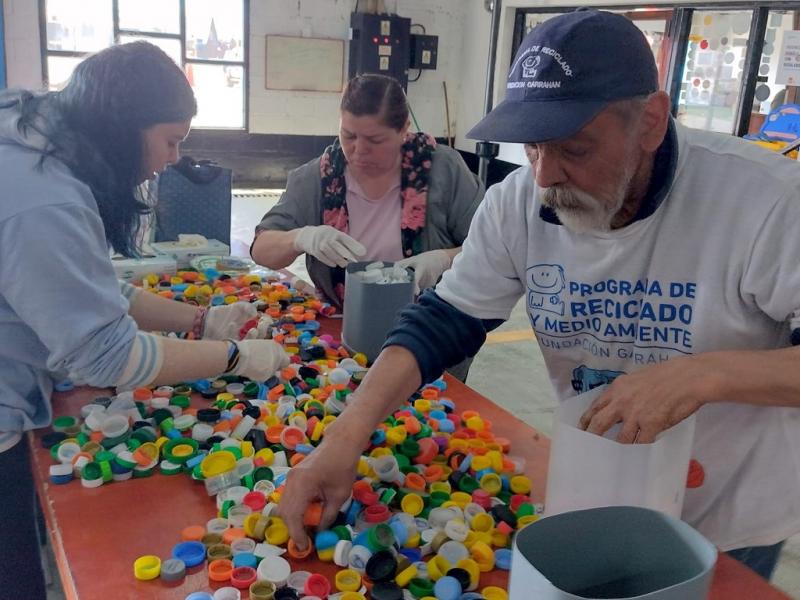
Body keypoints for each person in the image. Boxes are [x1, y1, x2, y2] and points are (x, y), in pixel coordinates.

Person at [279, 10, 800, 582]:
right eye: (531, 147)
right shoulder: (519, 201)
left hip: (726, 515)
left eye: (574, 149)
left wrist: (704, 377)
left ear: (650, 121)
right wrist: (343, 439)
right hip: (597, 483)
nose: (546, 176)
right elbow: (441, 322)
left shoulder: (766, 203)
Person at [0, 42, 288, 597]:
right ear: (122, 127)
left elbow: (91, 287)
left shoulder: (38, 140)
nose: (174, 159)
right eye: (171, 140)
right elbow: (109, 355)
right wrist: (237, 357)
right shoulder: (48, 197)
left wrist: (201, 319)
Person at [250, 73, 483, 309]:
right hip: (345, 318)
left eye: (375, 140)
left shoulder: (443, 170)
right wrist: (301, 238)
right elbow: (261, 250)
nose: (359, 150)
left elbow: (489, 247)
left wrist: (444, 260)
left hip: (430, 319)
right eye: (348, 135)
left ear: (404, 129)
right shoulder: (318, 178)